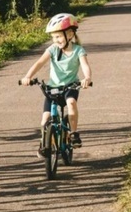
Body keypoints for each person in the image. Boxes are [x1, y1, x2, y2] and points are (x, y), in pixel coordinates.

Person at [20, 13, 93, 154]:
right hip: (52, 88)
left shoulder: (78, 50)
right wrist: (28, 76)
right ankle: (44, 144)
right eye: (53, 37)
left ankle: (73, 134)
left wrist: (87, 78)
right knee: (45, 120)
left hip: (71, 86)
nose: (56, 40)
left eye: (58, 36)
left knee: (71, 103)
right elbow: (40, 62)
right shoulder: (53, 49)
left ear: (70, 34)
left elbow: (85, 65)